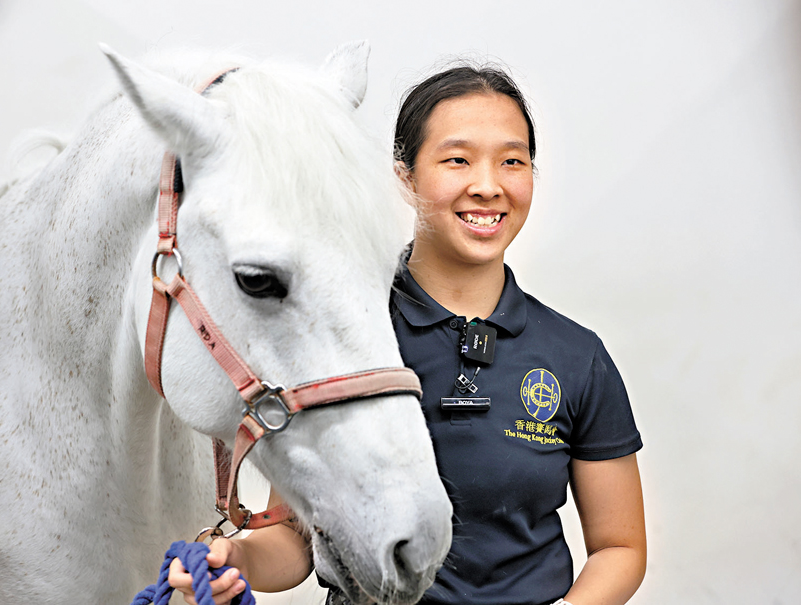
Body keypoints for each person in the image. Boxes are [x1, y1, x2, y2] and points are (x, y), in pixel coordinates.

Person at [171, 62, 647, 605]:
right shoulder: (346, 329)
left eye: (511, 161)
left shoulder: (575, 356)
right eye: (458, 160)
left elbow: (619, 546)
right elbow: (296, 542)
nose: (487, 186)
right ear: (405, 175)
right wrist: (236, 561)